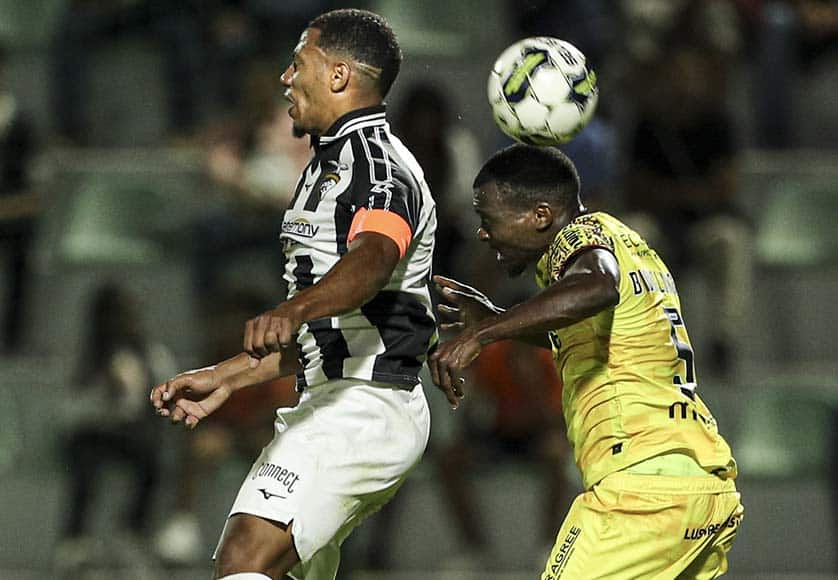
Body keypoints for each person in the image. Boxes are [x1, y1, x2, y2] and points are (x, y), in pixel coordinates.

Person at [150, 9, 437, 580]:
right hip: (332, 398)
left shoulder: (377, 164)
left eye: (298, 62)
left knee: (242, 561)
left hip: (365, 406)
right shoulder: (324, 166)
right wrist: (227, 377)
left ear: (337, 76)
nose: (285, 77)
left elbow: (374, 260)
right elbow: (329, 329)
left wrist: (291, 307)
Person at [429, 144, 743, 579]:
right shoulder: (629, 243)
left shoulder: (578, 237)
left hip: (640, 494)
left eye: (490, 219)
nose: (483, 234)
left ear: (540, 216)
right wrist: (500, 320)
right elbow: (587, 324)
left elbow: (598, 286)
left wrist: (485, 333)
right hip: (700, 486)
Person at [55, 283, 177, 573]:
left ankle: (132, 533)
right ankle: (76, 539)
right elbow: (66, 412)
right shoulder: (82, 359)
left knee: (153, 455)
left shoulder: (151, 355)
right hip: (93, 433)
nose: (122, 322)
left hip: (134, 433)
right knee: (85, 457)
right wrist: (102, 399)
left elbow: (169, 395)